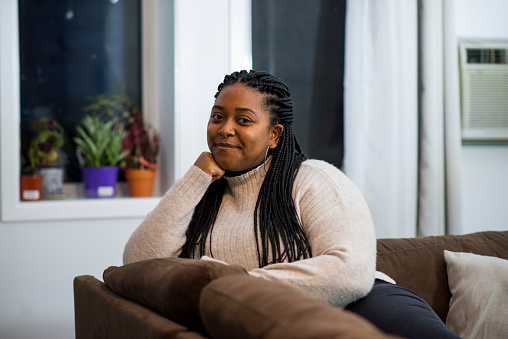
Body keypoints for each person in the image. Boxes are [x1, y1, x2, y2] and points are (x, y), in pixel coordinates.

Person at [123, 70, 460, 339]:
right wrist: (195, 178)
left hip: (363, 304)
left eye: (243, 120)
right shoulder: (202, 194)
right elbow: (137, 263)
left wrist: (233, 288)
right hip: (265, 319)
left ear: (274, 135)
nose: (225, 129)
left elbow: (349, 272)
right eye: (217, 116)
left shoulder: (312, 179)